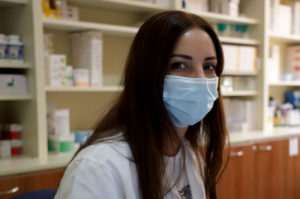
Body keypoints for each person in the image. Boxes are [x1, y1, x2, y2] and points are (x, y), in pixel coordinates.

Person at [55, 10, 228, 199]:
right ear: (147, 73)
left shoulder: (189, 156)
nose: (201, 79)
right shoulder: (99, 168)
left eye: (208, 66)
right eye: (179, 65)